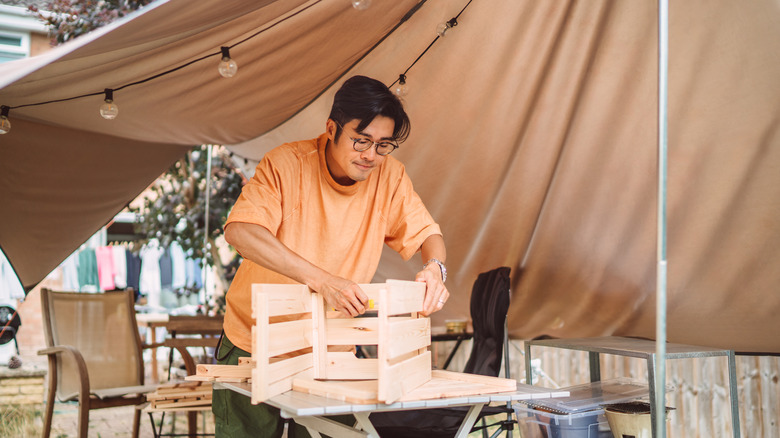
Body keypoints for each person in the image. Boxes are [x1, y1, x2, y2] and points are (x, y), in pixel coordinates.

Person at [213, 75, 449, 437]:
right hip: (254, 341)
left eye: (383, 145)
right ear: (331, 129)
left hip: (332, 349)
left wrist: (435, 268)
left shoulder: (390, 177)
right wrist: (323, 281)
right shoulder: (287, 164)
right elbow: (240, 231)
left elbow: (428, 234)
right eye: (361, 140)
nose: (370, 155)